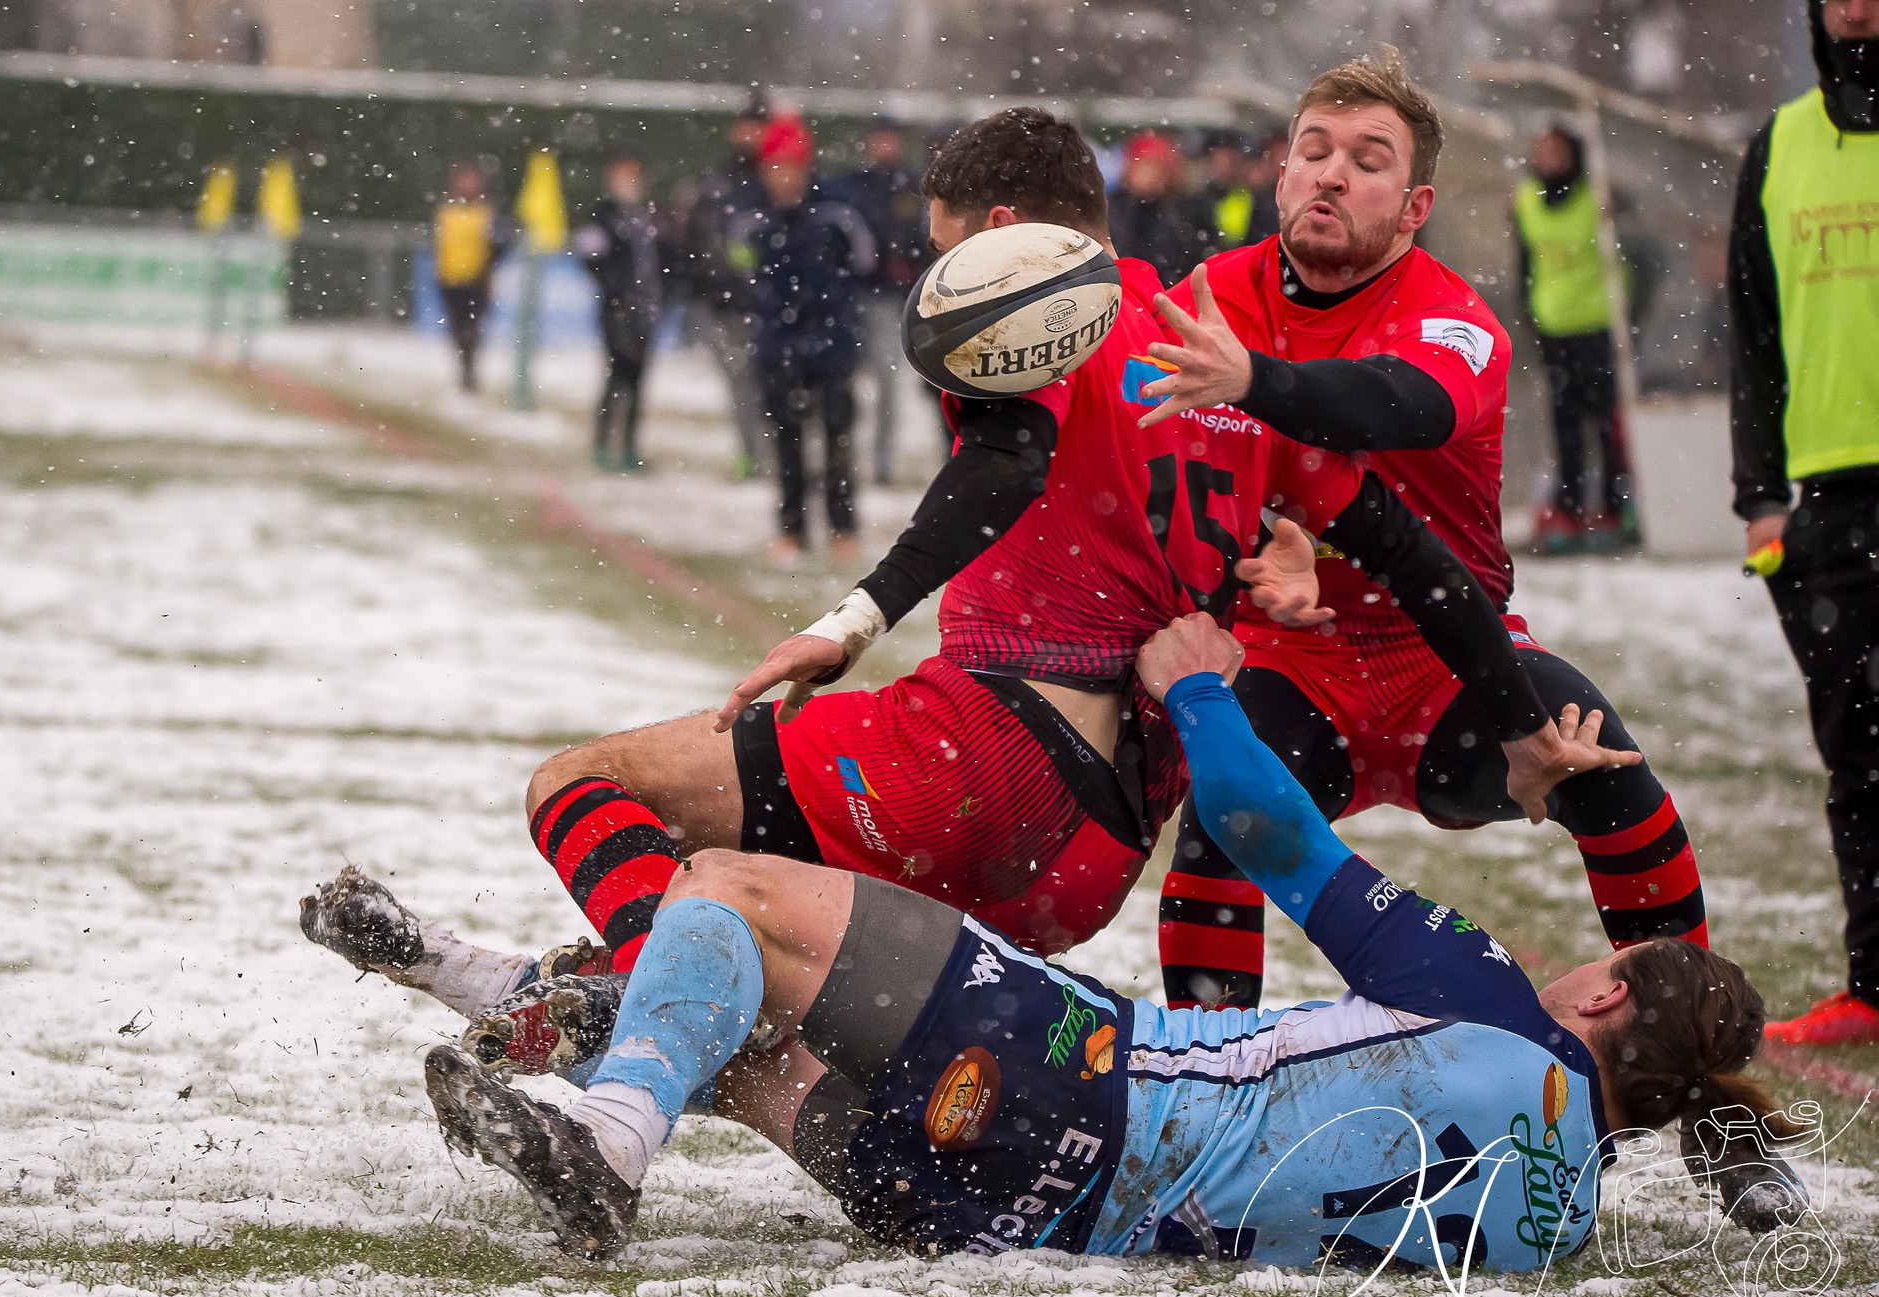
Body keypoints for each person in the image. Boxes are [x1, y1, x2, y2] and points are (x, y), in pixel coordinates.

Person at [507, 108, 1609, 1003]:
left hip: (979, 761)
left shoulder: (1045, 315)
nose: (942, 273)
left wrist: (852, 619)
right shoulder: (1217, 360)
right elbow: (1419, 561)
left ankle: (633, 1001)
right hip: (1098, 855)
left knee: (584, 790)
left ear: (1000, 233)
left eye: (946, 248)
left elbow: (1007, 459)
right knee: (794, 968)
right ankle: (610, 1049)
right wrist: (1519, 726)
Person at [400, 614, 1803, 1262]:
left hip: (1075, 1071)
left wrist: (1197, 691)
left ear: (1605, 992)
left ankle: (607, 1140)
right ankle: (485, 982)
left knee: (728, 888)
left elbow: (1266, 830)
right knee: (753, 1038)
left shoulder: (1496, 1006)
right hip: (1006, 1220)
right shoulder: (1560, 1222)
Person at [1144, 49, 1712, 1025]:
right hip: (1292, 658)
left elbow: (1393, 404)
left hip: (1446, 656)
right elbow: (1151, 469)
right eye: (1312, 151)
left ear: (1414, 208)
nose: (1330, 174)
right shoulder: (1210, 300)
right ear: (1280, 176)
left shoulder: (1453, 318)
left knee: (1605, 768)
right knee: (1220, 826)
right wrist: (1250, 554)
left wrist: (1253, 381)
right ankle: (1206, 1085)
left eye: (1367, 160)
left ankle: (1702, 1072)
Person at [1730, 0, 1879, 1046]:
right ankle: (1872, 985)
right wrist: (1758, 493)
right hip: (1828, 501)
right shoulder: (1777, 148)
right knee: (1858, 753)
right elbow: (1751, 331)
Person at [737, 115, 877, 565]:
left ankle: (843, 529)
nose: (783, 177)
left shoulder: (838, 214)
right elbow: (736, 272)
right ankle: (792, 530)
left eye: (791, 166)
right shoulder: (751, 218)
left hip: (832, 348)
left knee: (838, 444)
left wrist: (833, 322)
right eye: (774, 167)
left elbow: (866, 264)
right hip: (777, 351)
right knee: (787, 445)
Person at [1513, 126, 1638, 555]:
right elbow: (1524, 262)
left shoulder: (1595, 196)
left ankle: (1615, 505)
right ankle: (1570, 506)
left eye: (1558, 151)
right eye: (1543, 151)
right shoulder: (1526, 200)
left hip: (1598, 324)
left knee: (1605, 420)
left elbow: (1631, 246)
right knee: (1564, 420)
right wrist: (1529, 314)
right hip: (1553, 324)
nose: (1550, 160)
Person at [830, 116, 932, 487]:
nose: (885, 146)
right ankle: (841, 457)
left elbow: (924, 241)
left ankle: (882, 460)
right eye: (879, 139)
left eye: (890, 139)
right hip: (853, 296)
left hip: (891, 299)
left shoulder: (914, 188)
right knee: (842, 380)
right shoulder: (852, 186)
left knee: (887, 381)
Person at [679, 98, 776, 478]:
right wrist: (710, 287)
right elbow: (699, 240)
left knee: (769, 382)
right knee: (741, 381)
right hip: (727, 304)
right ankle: (752, 454)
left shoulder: (776, 179)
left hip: (770, 304)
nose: (749, 134)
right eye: (745, 125)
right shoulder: (717, 182)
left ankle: (771, 453)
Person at [574, 146, 664, 474]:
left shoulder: (651, 216)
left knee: (638, 379)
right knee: (618, 375)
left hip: (646, 307)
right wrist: (614, 288)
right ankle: (604, 443)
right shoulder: (603, 215)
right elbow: (591, 257)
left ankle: (628, 445)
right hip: (617, 309)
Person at [433, 160, 512, 394]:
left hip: (477, 281)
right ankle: (465, 374)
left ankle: (469, 375)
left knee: (471, 331)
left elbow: (502, 244)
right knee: (458, 331)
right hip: (450, 280)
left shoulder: (488, 213)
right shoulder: (446, 213)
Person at [1106, 130, 1202, 284]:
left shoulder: (1180, 214)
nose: (1151, 175)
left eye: (1157, 168)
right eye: (1145, 166)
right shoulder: (1110, 211)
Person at [1187, 131, 1257, 261]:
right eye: (1218, 159)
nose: (1224, 165)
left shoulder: (1253, 201)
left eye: (1229, 159)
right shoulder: (1193, 204)